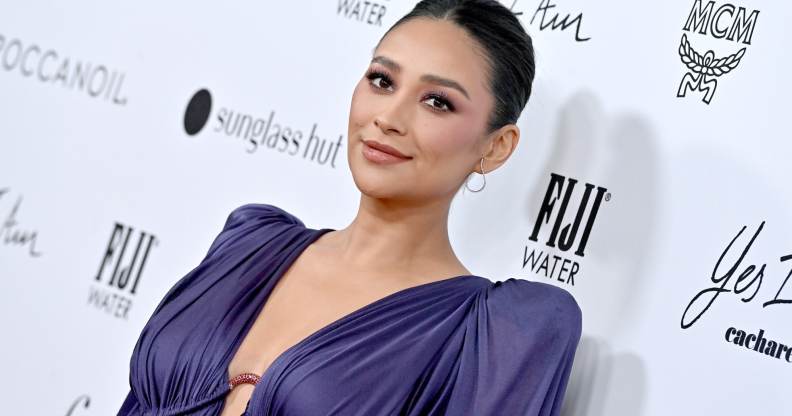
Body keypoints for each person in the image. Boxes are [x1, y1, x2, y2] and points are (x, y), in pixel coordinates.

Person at [117, 0, 582, 414]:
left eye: (437, 102)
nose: (388, 117)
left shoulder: (494, 334)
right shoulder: (250, 243)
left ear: (497, 147)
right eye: (382, 80)